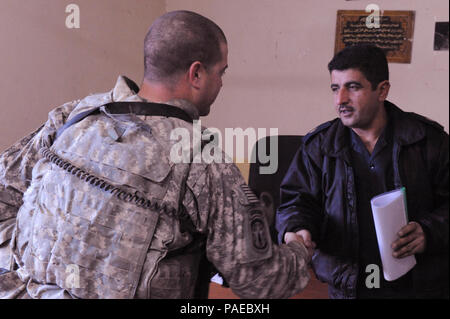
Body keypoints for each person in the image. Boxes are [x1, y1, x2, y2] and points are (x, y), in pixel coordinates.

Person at [0, 10, 311, 299]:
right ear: (197, 74)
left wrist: (27, 257)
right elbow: (259, 280)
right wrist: (299, 250)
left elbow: (4, 192)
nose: (220, 83)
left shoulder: (73, 117)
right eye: (221, 72)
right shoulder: (204, 162)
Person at [276, 45, 449, 299]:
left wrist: (429, 231)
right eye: (335, 88)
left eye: (353, 87)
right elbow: (296, 202)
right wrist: (296, 228)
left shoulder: (428, 141)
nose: (340, 100)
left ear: (382, 90)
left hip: (420, 287)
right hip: (349, 287)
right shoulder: (318, 147)